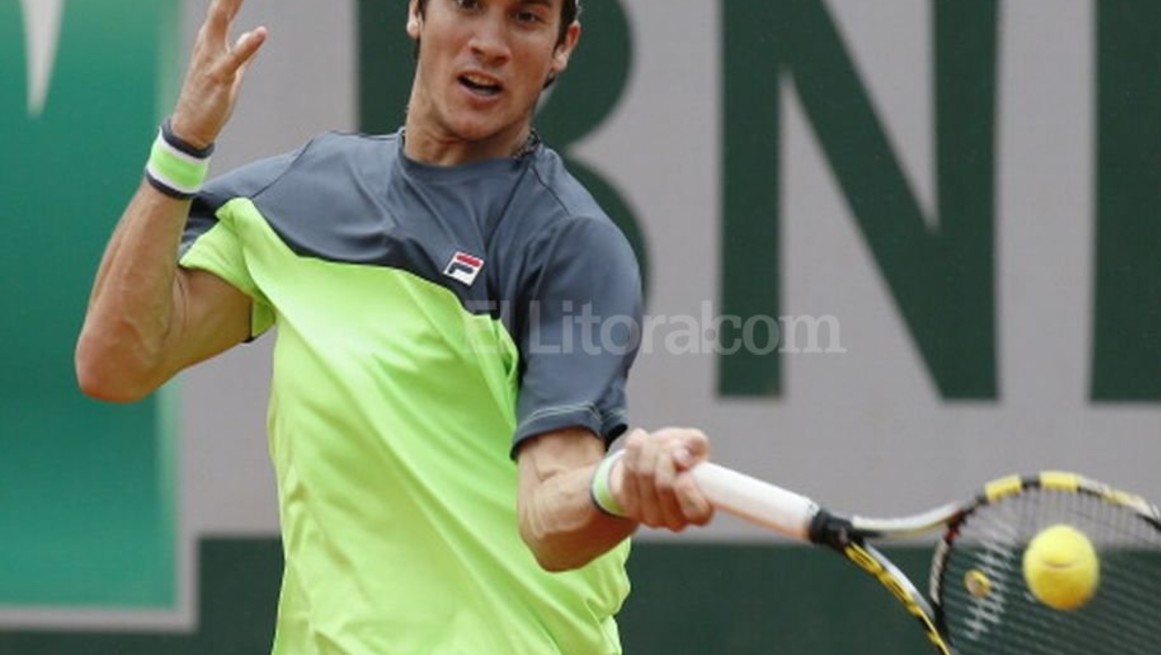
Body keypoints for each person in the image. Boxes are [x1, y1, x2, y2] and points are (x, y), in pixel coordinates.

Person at [75, 0, 715, 652]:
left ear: (562, 46)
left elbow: (551, 516)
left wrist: (617, 485)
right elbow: (116, 362)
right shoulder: (303, 197)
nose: (490, 43)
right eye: (468, 4)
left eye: (525, 16)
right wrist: (183, 145)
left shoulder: (569, 246)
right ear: (417, 11)